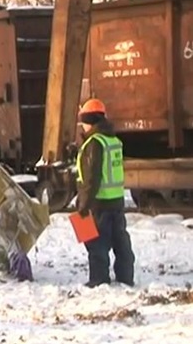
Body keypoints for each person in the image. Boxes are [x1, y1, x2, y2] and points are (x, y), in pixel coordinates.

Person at [76, 98, 135, 288]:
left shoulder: (94, 143)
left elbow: (92, 179)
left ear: (89, 121)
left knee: (96, 244)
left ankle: (99, 279)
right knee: (120, 242)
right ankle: (126, 277)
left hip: (98, 203)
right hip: (116, 201)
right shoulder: (113, 140)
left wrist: (83, 207)